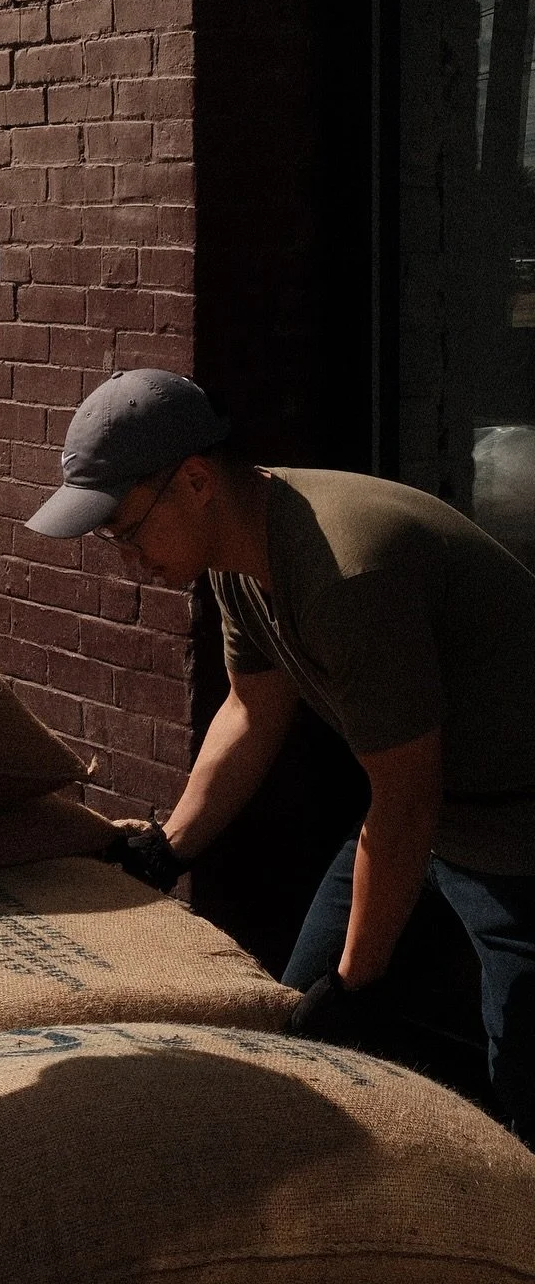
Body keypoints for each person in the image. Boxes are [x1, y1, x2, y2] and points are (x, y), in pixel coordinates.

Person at [26, 367, 535, 1147]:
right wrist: (171, 847)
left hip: (514, 828)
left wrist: (359, 981)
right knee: (299, 1021)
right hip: (426, 812)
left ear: (195, 481)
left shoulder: (343, 571)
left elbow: (406, 803)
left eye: (125, 530)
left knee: (522, 1084)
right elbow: (251, 709)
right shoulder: (237, 559)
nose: (124, 555)